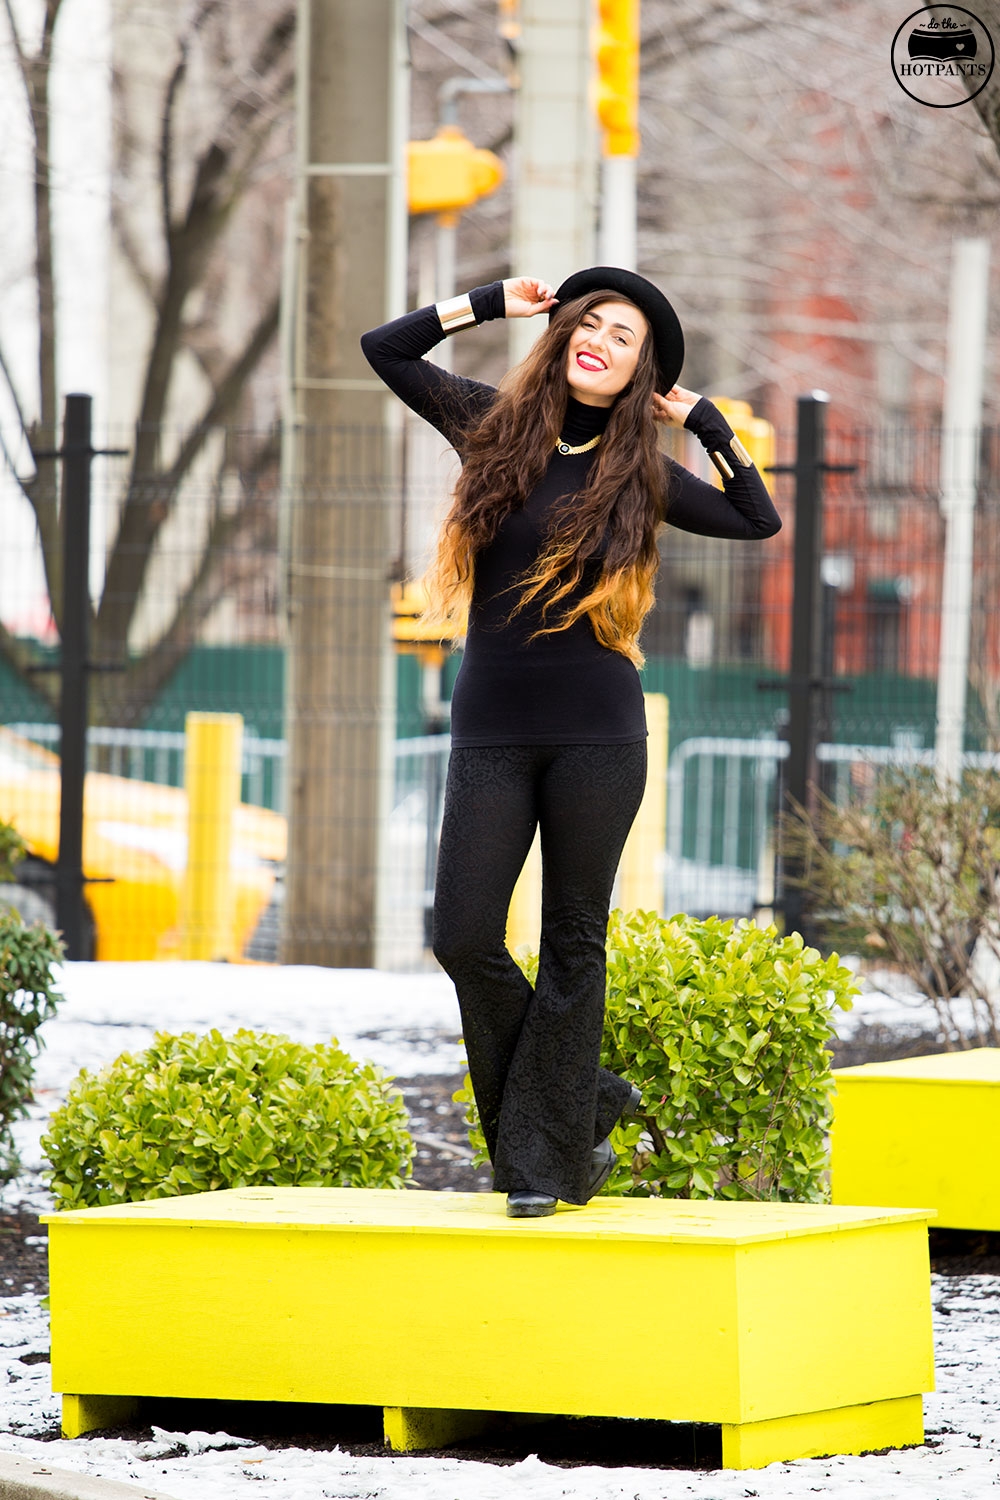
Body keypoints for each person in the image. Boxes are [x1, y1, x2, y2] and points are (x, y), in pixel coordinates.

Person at [361, 268, 781, 1217]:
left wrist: (706, 422)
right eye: (590, 321)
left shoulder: (641, 473)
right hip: (491, 733)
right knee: (462, 935)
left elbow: (759, 518)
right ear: (563, 335)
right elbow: (385, 349)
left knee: (572, 942)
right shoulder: (488, 424)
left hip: (599, 732)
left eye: (624, 336)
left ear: (640, 372)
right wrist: (487, 303)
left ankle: (542, 1170)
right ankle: (582, 1103)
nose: (600, 338)